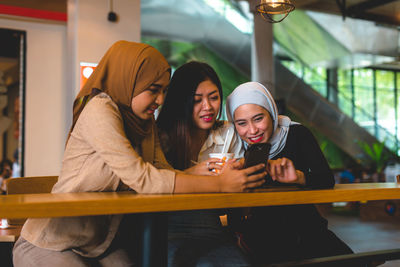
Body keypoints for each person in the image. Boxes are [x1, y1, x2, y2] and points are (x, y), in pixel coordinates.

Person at [12, 42, 266, 267]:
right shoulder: (99, 109)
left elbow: (161, 173)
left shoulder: (144, 122)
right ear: (130, 80)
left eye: (164, 91)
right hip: (52, 242)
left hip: (100, 245)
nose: (159, 99)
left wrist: (196, 173)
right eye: (153, 89)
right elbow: (142, 178)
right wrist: (220, 184)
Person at [225, 82, 354, 264]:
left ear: (272, 113)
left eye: (258, 118)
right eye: (241, 123)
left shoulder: (296, 134)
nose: (252, 130)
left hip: (306, 231)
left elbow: (326, 179)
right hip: (257, 239)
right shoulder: (233, 145)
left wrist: (299, 177)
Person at [157, 61, 251, 266]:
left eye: (214, 98)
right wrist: (190, 174)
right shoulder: (161, 137)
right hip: (166, 229)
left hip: (214, 228)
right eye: (196, 100)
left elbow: (236, 192)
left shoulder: (228, 133)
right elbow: (149, 184)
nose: (207, 107)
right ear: (181, 101)